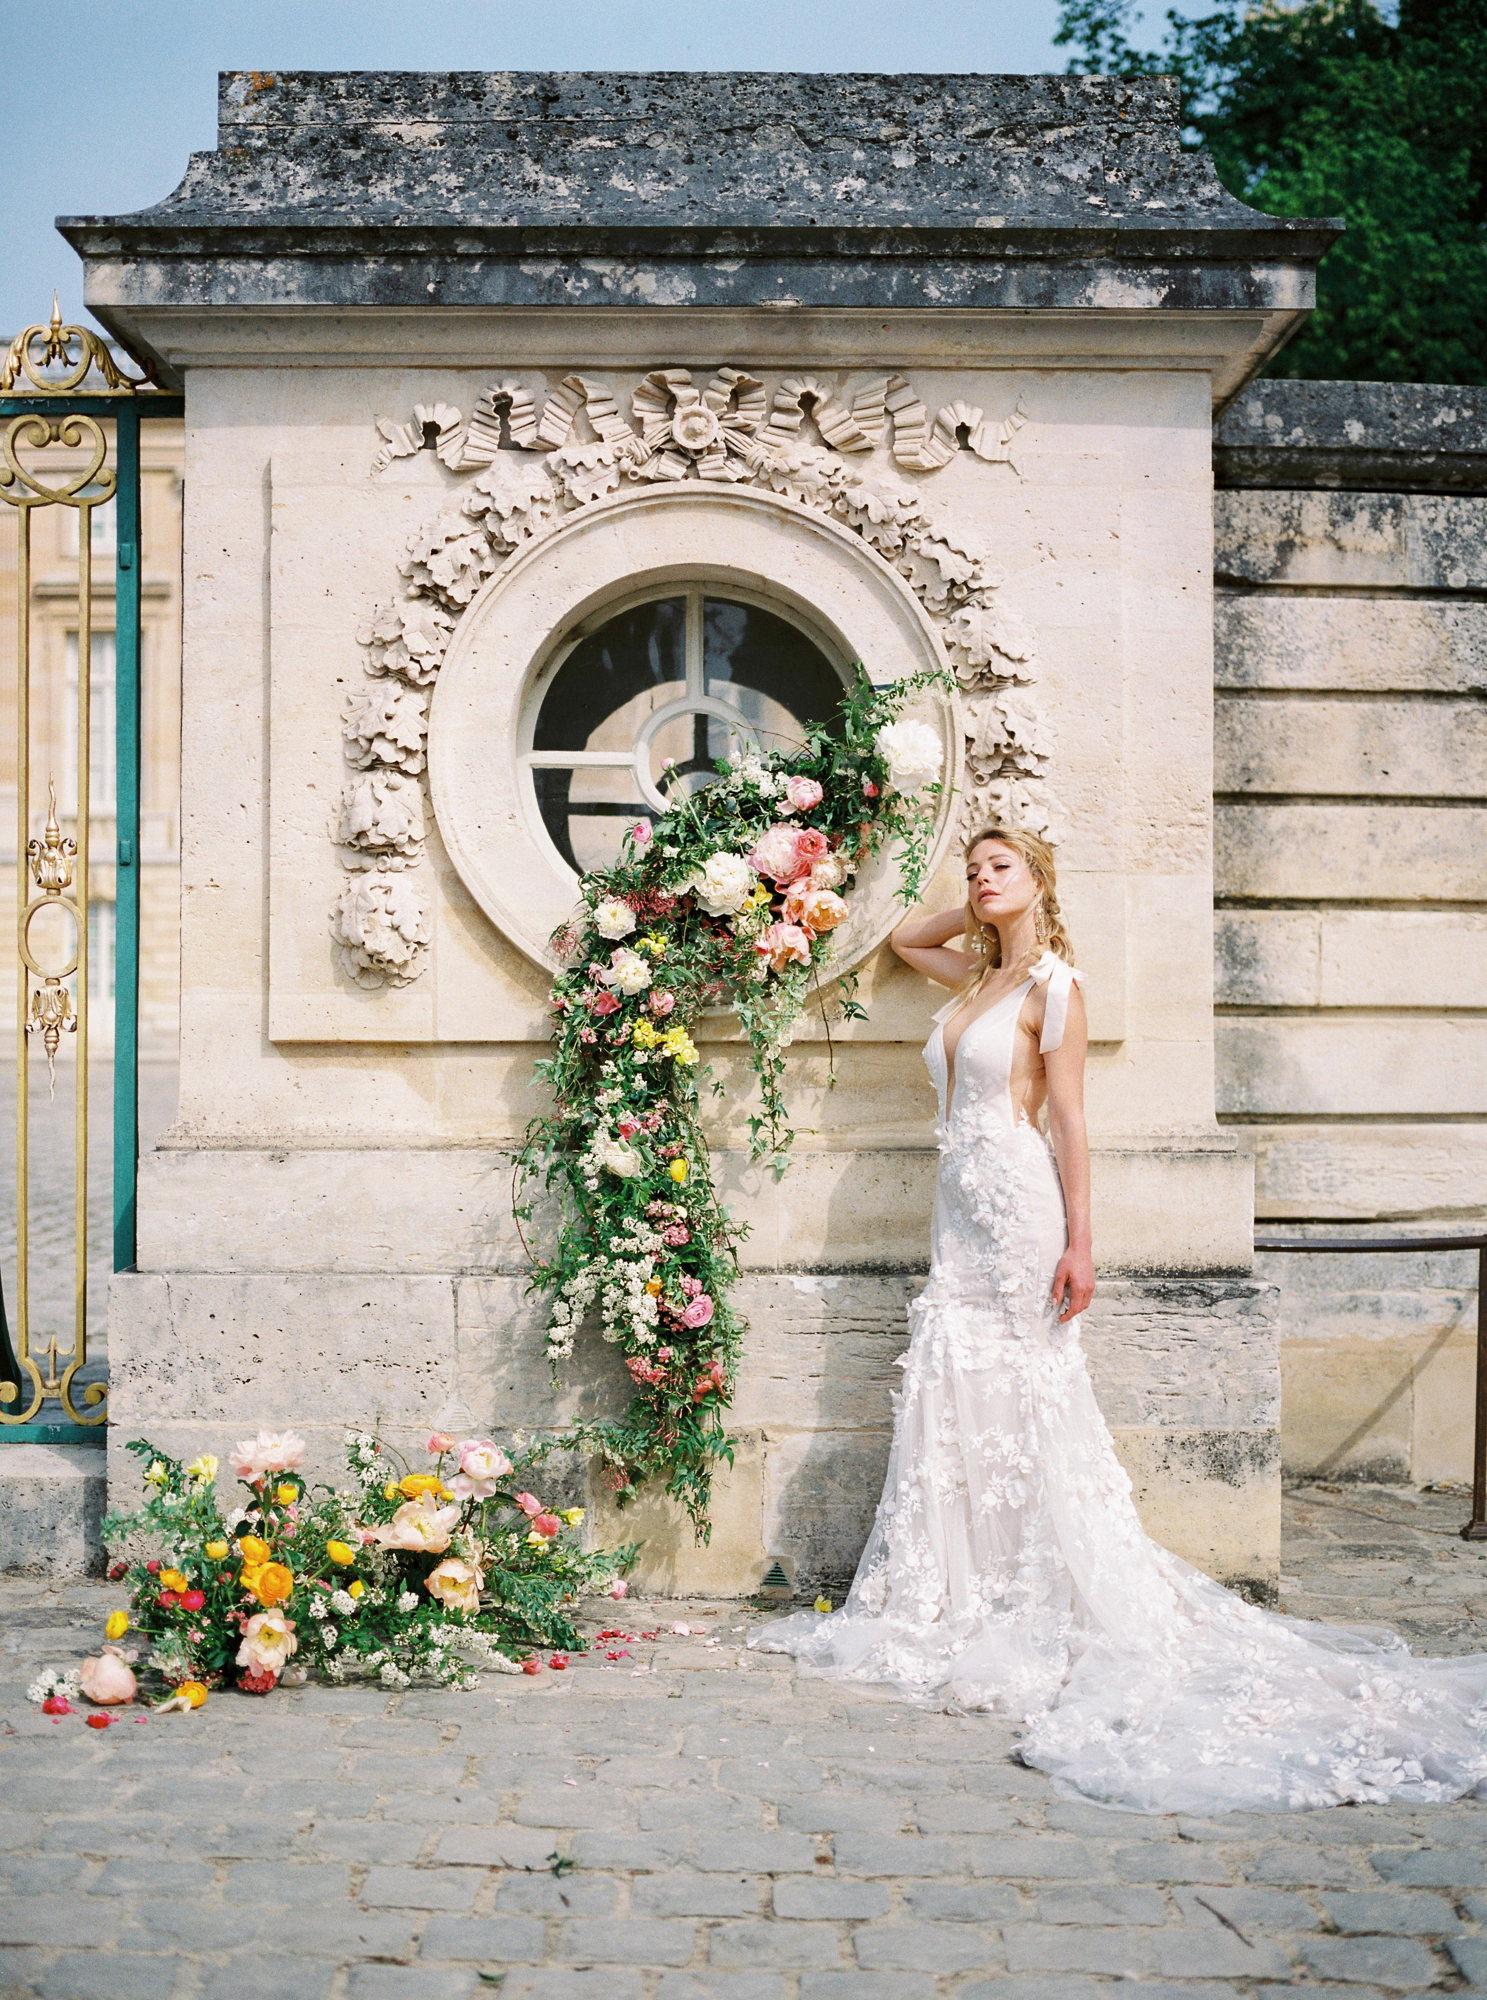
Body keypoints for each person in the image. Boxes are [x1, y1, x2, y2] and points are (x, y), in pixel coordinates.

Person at [752, 824, 1487, 1813]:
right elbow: (899, 945)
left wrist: (1080, 1241)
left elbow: (1067, 1118)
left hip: (1017, 1207)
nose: (978, 878)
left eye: (998, 866)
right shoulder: (968, 980)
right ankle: (958, 1587)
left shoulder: (1055, 986)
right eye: (972, 868)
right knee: (956, 1380)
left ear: (1040, 881)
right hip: (958, 1211)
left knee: (1025, 1391)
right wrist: (972, 911)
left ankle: (1037, 1588)